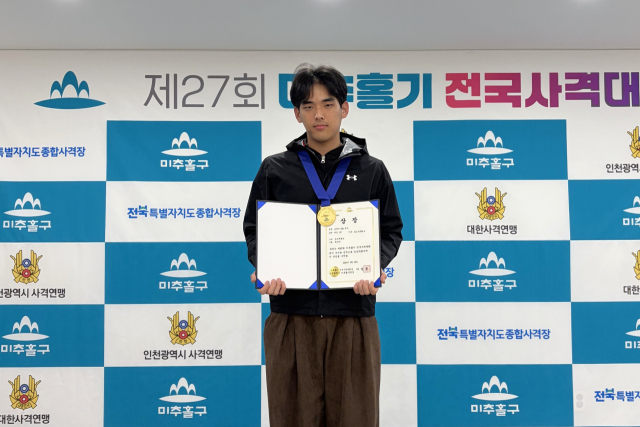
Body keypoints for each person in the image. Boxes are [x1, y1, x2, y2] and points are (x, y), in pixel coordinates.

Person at [243, 63, 403, 427]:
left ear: (344, 109)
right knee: (291, 417)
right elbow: (255, 228)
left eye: (328, 104)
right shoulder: (274, 169)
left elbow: (391, 230)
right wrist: (263, 267)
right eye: (309, 105)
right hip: (291, 315)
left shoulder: (372, 169)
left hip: (353, 315)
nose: (319, 114)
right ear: (297, 113)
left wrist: (373, 266)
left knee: (356, 418)